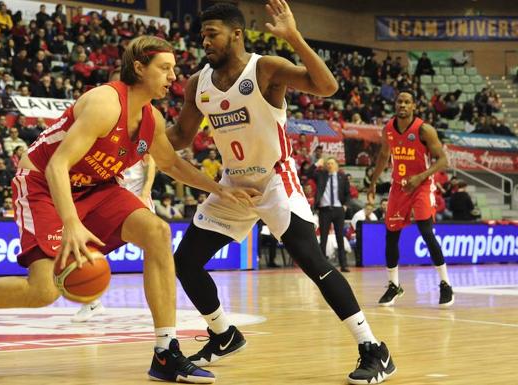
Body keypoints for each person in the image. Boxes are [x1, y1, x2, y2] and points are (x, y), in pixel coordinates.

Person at [0, 36, 260, 384]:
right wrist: (70, 222)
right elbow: (56, 165)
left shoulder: (150, 119)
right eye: (165, 68)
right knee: (44, 292)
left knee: (158, 232)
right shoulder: (105, 103)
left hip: (97, 188)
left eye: (173, 69)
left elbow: (172, 164)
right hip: (43, 184)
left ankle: (165, 351)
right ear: (139, 68)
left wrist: (220, 190)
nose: (173, 76)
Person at [166, 2, 395, 384]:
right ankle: (224, 334)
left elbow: (327, 86)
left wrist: (293, 37)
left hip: (274, 180)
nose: (204, 41)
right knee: (186, 260)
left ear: (236, 34)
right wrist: (136, 135)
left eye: (213, 33)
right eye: (202, 34)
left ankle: (373, 348)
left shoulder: (265, 68)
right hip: (233, 185)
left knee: (312, 261)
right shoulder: (198, 83)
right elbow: (181, 137)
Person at [368, 89, 454, 308]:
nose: (403, 105)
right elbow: (383, 156)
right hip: (399, 186)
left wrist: (421, 177)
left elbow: (443, 160)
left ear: (414, 106)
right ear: (395, 105)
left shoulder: (424, 130)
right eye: (399, 102)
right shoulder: (388, 128)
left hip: (422, 185)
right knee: (391, 235)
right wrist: (373, 181)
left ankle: (445, 284)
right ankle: (393, 285)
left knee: (426, 231)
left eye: (407, 102)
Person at [72, 154, 157, 323]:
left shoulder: (137, 136)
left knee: (155, 254)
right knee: (86, 247)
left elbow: (151, 164)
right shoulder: (104, 142)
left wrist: (145, 193)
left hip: (136, 200)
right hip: (114, 201)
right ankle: (91, 302)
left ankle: (161, 305)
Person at [310, 157, 351, 272]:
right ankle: (322, 266)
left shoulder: (342, 177)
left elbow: (348, 194)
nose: (329, 165)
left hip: (338, 210)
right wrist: (317, 163)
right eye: (327, 163)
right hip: (324, 210)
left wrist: (345, 206)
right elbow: (308, 173)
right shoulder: (321, 175)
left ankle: (344, 264)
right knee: (323, 238)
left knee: (340, 238)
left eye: (332, 163)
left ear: (337, 165)